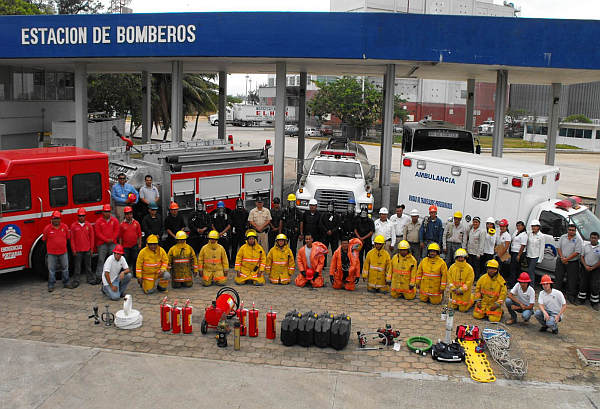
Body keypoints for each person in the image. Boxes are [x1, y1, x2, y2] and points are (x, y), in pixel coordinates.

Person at [43, 211, 73, 292]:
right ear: (51, 219)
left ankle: (66, 283)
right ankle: (51, 285)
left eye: (58, 218)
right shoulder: (47, 229)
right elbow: (45, 240)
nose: (56, 220)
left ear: (60, 219)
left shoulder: (65, 227)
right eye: (54, 219)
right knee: (51, 270)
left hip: (63, 252)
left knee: (65, 268)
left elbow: (67, 238)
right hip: (51, 253)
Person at [555, 223, 583, 303]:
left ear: (575, 231)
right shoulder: (563, 237)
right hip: (561, 260)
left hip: (572, 262)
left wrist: (567, 259)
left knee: (572, 280)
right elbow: (558, 247)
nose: (571, 231)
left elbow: (577, 252)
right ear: (567, 230)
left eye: (573, 230)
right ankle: (556, 295)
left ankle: (571, 296)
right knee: (558, 278)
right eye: (570, 230)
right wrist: (562, 258)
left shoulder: (578, 240)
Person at [94, 204, 119, 285]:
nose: (107, 213)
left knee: (114, 261)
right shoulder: (98, 222)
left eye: (108, 211)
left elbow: (116, 231)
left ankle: (114, 276)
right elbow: (98, 233)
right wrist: (106, 239)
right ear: (102, 212)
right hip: (102, 244)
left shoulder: (114, 220)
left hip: (112, 243)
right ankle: (98, 277)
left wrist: (112, 239)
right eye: (105, 211)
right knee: (101, 260)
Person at [70, 207, 94, 285]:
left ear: (85, 216)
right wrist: (73, 250)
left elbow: (92, 238)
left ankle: (90, 279)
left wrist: (91, 249)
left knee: (88, 266)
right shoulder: (73, 226)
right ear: (77, 216)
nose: (81, 217)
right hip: (78, 250)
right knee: (77, 267)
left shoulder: (89, 225)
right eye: (80, 216)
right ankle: (76, 281)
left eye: (83, 216)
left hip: (87, 249)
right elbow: (72, 239)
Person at [580, 231, 600, 310]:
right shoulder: (586, 246)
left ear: (598, 239)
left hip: (596, 269)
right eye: (592, 238)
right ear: (590, 238)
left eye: (595, 238)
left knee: (595, 285)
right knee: (583, 283)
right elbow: (582, 257)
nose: (593, 239)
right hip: (585, 268)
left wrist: (593, 267)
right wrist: (585, 266)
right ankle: (581, 300)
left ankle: (594, 303)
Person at [230, 198, 249, 266]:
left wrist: (246, 230)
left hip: (243, 232)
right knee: (234, 248)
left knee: (243, 248)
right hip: (235, 232)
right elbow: (231, 222)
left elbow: (247, 222)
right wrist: (232, 229)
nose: (239, 205)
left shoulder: (246, 212)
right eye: (238, 203)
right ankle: (232, 262)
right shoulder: (233, 212)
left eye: (240, 203)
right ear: (236, 204)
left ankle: (243, 262)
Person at [509, 221, 528, 288]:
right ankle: (513, 282)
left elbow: (523, 246)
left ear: (523, 226)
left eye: (520, 226)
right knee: (513, 267)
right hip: (513, 251)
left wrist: (519, 255)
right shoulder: (516, 232)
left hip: (518, 253)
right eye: (517, 226)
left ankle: (512, 284)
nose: (518, 227)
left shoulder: (524, 235)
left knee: (514, 268)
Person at [282, 194, 302, 258]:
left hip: (294, 233)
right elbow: (282, 221)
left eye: (293, 202)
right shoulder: (285, 211)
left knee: (293, 247)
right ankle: (284, 258)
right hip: (286, 231)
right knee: (284, 246)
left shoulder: (298, 212)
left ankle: (292, 259)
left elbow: (301, 222)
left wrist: (300, 233)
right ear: (288, 202)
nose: (291, 203)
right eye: (290, 202)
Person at [526, 219, 545, 284]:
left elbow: (542, 248)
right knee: (529, 271)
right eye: (532, 226)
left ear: (538, 227)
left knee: (530, 271)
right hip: (528, 255)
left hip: (535, 256)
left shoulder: (541, 236)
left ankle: (531, 286)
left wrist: (540, 259)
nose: (534, 228)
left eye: (535, 226)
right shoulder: (529, 234)